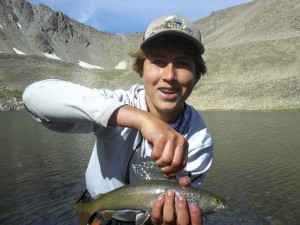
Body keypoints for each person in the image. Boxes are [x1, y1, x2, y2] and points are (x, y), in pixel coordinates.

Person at [22, 13, 213, 225]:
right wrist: (142, 120)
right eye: (158, 61)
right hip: (99, 210)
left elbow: (182, 202)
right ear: (141, 71)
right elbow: (33, 96)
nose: (169, 75)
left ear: (196, 75)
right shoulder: (118, 101)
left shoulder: (199, 141)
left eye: (183, 63)